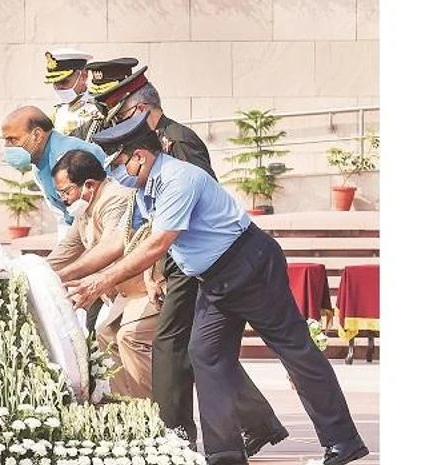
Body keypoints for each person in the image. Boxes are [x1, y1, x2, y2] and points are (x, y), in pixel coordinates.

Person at [64, 111, 369, 465]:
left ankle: (343, 440)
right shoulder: (149, 185)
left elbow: (159, 242)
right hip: (214, 278)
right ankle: (225, 454)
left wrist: (102, 280)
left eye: (117, 162)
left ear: (139, 156)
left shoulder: (178, 179)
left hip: (249, 267)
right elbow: (146, 239)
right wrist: (142, 276)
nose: (114, 172)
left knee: (296, 351)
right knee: (206, 355)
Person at [65, 61, 287, 456]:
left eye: (120, 114)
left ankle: (177, 437)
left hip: (189, 262)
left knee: (172, 347)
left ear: (137, 108)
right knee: (194, 351)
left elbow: (189, 211)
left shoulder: (178, 142)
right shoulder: (146, 150)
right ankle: (255, 422)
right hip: (170, 261)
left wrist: (156, 268)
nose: (116, 125)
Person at [45, 150, 160, 398]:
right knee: (105, 336)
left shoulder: (114, 198)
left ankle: (155, 417)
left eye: (66, 192)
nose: (63, 199)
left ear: (89, 185)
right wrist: (33, 272)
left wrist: (62, 275)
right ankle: (127, 412)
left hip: (150, 287)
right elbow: (65, 252)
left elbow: (111, 246)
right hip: (125, 293)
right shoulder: (84, 211)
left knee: (130, 338)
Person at [0, 106, 106, 243]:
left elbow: (96, 214)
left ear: (37, 135)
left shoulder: (73, 157)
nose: (7, 146)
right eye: (5, 140)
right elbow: (65, 218)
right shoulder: (39, 166)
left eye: (12, 140)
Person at [43, 49, 102, 136]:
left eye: (64, 82)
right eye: (55, 82)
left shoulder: (97, 109)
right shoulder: (58, 111)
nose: (59, 87)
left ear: (83, 77)